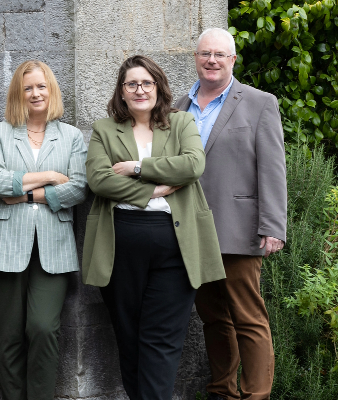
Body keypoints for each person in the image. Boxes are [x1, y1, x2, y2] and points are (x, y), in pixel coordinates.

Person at [82, 55, 226, 400]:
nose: (140, 90)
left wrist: (136, 167)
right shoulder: (105, 129)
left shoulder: (181, 122)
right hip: (120, 245)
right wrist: (156, 189)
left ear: (158, 86)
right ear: (122, 91)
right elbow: (99, 180)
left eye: (147, 83)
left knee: (161, 340)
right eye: (132, 84)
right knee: (129, 337)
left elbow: (192, 164)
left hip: (175, 244)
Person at [174, 28, 287, 400]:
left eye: (220, 55)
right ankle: (222, 392)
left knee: (248, 318)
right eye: (205, 53)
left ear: (233, 60)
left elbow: (272, 169)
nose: (212, 60)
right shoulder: (178, 107)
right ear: (195, 58)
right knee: (213, 319)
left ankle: (256, 395)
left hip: (239, 230)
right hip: (192, 231)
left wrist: (273, 226)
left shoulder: (258, 103)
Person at [0, 60, 87, 400]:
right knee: (8, 335)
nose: (35, 93)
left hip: (53, 247)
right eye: (28, 88)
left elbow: (79, 188)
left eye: (41, 86)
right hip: (4, 245)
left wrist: (26, 194)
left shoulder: (71, 136)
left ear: (51, 90)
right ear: (18, 93)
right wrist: (52, 177)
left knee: (43, 328)